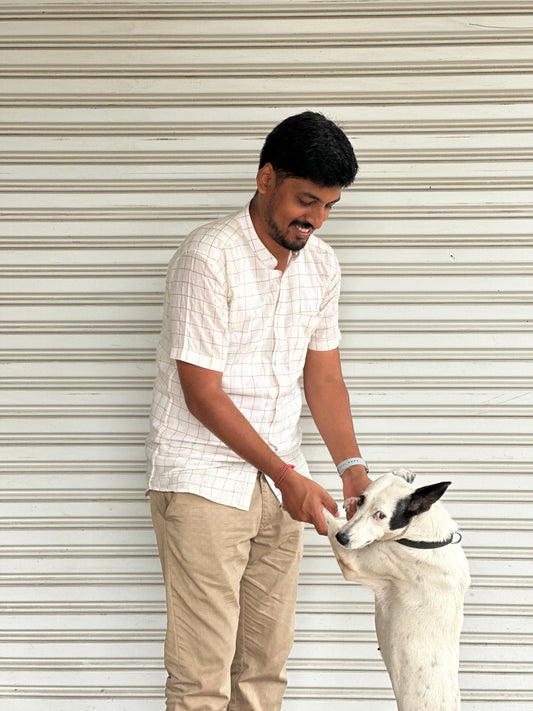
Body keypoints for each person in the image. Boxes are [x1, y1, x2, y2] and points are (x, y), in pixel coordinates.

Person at [146, 111, 371, 711]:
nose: (315, 220)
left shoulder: (321, 264)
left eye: (329, 206)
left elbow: (322, 376)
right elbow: (203, 394)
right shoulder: (208, 257)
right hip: (203, 485)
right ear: (266, 178)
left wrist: (350, 466)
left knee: (264, 673)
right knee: (202, 680)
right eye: (306, 200)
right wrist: (287, 475)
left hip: (281, 484)